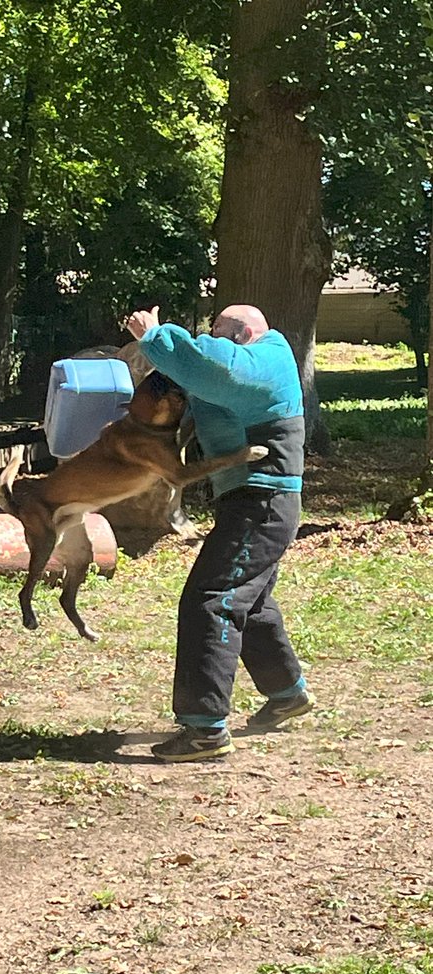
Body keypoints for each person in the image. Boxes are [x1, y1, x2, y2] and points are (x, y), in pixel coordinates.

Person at [124, 303, 314, 762]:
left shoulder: (264, 358)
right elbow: (198, 387)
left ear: (244, 332)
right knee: (251, 601)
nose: (209, 336)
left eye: (217, 330)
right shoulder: (254, 360)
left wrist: (157, 337)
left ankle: (204, 730)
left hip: (261, 501)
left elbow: (214, 368)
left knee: (211, 600)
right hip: (257, 500)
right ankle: (287, 693)